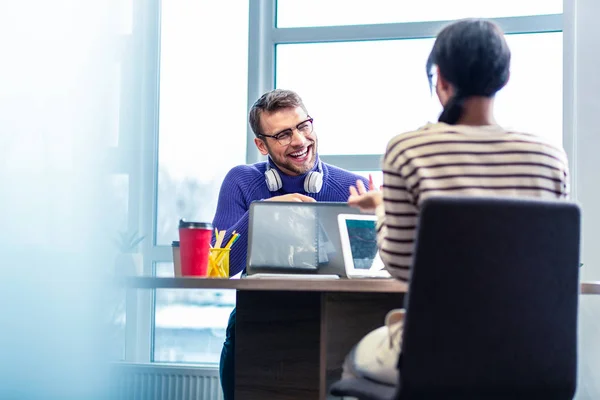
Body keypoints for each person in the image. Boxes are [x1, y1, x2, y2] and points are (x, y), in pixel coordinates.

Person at [344, 18, 570, 386]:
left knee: (353, 360)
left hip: (437, 350)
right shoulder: (549, 155)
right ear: (504, 77)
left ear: (442, 81)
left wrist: (382, 207)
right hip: (532, 353)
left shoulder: (409, 149)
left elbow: (401, 266)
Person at [212, 88, 369, 399]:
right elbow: (219, 268)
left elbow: (373, 271)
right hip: (257, 327)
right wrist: (265, 213)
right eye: (283, 134)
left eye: (303, 126)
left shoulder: (353, 187)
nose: (299, 140)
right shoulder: (241, 182)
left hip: (332, 328)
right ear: (261, 144)